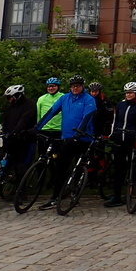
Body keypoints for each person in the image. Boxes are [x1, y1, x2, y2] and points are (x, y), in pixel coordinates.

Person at [34, 75, 97, 210]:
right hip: (66, 139)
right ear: (70, 87)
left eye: (78, 86)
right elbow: (51, 112)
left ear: (82, 86)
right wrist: (37, 127)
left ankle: (76, 190)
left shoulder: (89, 99)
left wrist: (78, 134)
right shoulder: (64, 98)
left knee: (80, 166)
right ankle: (56, 197)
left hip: (83, 139)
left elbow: (87, 117)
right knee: (60, 169)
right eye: (73, 86)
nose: (75, 88)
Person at [105, 82, 136, 207]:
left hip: (132, 139)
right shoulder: (120, 104)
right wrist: (112, 134)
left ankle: (131, 192)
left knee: (131, 167)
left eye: (131, 93)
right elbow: (116, 120)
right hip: (119, 139)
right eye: (127, 93)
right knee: (118, 168)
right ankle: (117, 196)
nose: (128, 95)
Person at [1, 85, 37, 183]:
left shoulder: (30, 104)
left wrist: (16, 131)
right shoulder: (10, 107)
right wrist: (4, 132)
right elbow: (6, 121)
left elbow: (25, 119)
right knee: (9, 159)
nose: (9, 100)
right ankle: (5, 180)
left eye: (10, 97)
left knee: (22, 164)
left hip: (25, 138)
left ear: (17, 96)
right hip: (12, 138)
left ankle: (22, 190)